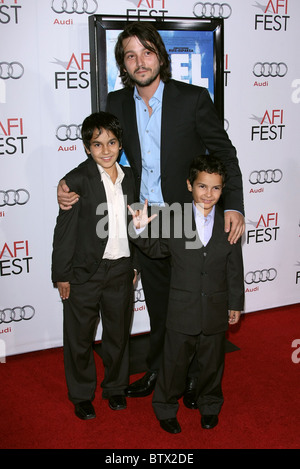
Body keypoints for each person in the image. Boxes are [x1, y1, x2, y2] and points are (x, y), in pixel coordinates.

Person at [57, 22, 245, 407]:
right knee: (160, 304)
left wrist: (235, 206)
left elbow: (225, 154)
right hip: (144, 219)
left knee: (196, 300)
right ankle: (162, 371)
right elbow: (102, 150)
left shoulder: (193, 98)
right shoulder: (116, 102)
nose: (139, 61)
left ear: (159, 55)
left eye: (146, 52)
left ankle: (195, 378)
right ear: (123, 65)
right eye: (129, 55)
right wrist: (68, 183)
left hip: (185, 215)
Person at [128, 155, 244, 434]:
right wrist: (139, 228)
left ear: (222, 189)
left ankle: (210, 404)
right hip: (181, 309)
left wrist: (235, 303)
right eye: (202, 186)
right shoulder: (175, 218)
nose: (209, 194)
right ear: (190, 185)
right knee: (173, 364)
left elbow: (234, 266)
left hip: (215, 308)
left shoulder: (229, 222)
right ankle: (165, 407)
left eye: (216, 188)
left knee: (212, 364)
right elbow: (155, 250)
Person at [52, 112, 141, 420]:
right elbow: (64, 231)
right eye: (98, 144)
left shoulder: (132, 177)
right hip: (83, 273)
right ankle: (81, 395)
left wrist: (135, 266)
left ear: (120, 144)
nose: (106, 150)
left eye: (112, 142)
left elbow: (138, 225)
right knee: (79, 338)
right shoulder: (77, 180)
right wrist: (61, 274)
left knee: (118, 335)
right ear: (87, 148)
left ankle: (115, 388)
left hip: (121, 271)